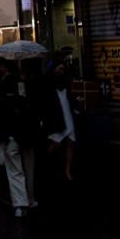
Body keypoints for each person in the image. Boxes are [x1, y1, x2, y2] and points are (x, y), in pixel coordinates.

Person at [0, 56, 38, 217]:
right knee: (26, 165)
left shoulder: (5, 82)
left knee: (14, 165)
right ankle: (27, 199)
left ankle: (21, 201)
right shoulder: (22, 82)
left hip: (12, 130)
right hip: (23, 130)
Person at [41, 54, 79, 182]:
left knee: (70, 143)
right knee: (55, 142)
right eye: (59, 68)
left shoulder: (66, 83)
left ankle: (67, 169)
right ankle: (45, 164)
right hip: (57, 115)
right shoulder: (49, 83)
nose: (61, 71)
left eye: (63, 69)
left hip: (67, 113)